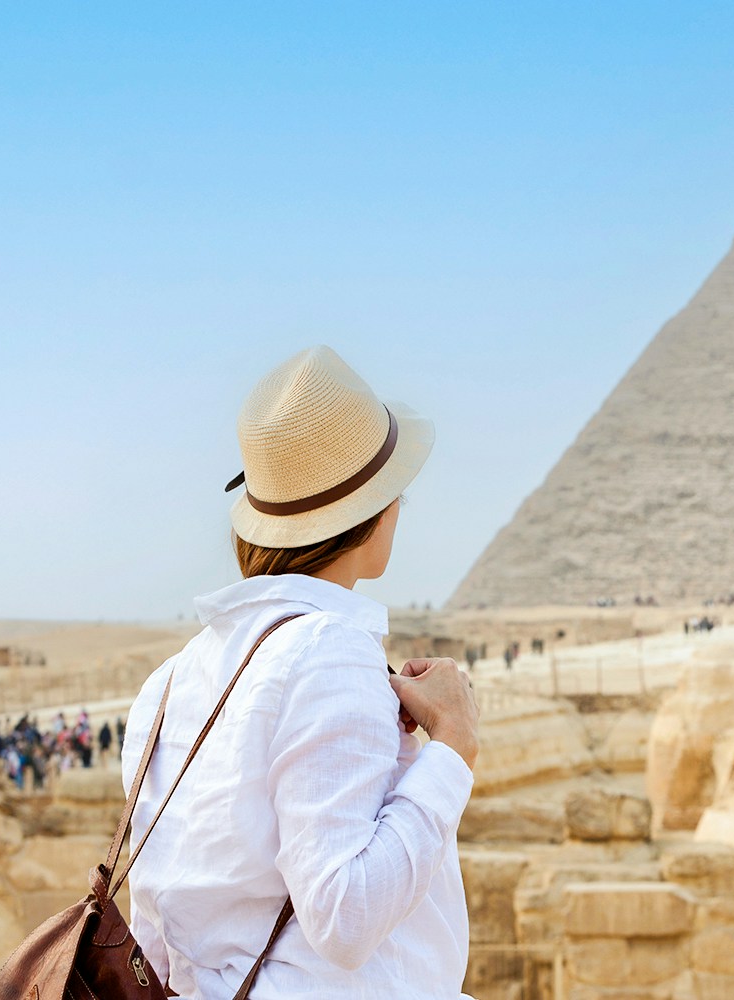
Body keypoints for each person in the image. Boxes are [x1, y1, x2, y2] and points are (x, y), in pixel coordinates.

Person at [120, 346, 480, 999]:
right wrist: (453, 747)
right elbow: (346, 919)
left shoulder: (168, 684)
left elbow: (155, 938)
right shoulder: (331, 652)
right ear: (374, 514)